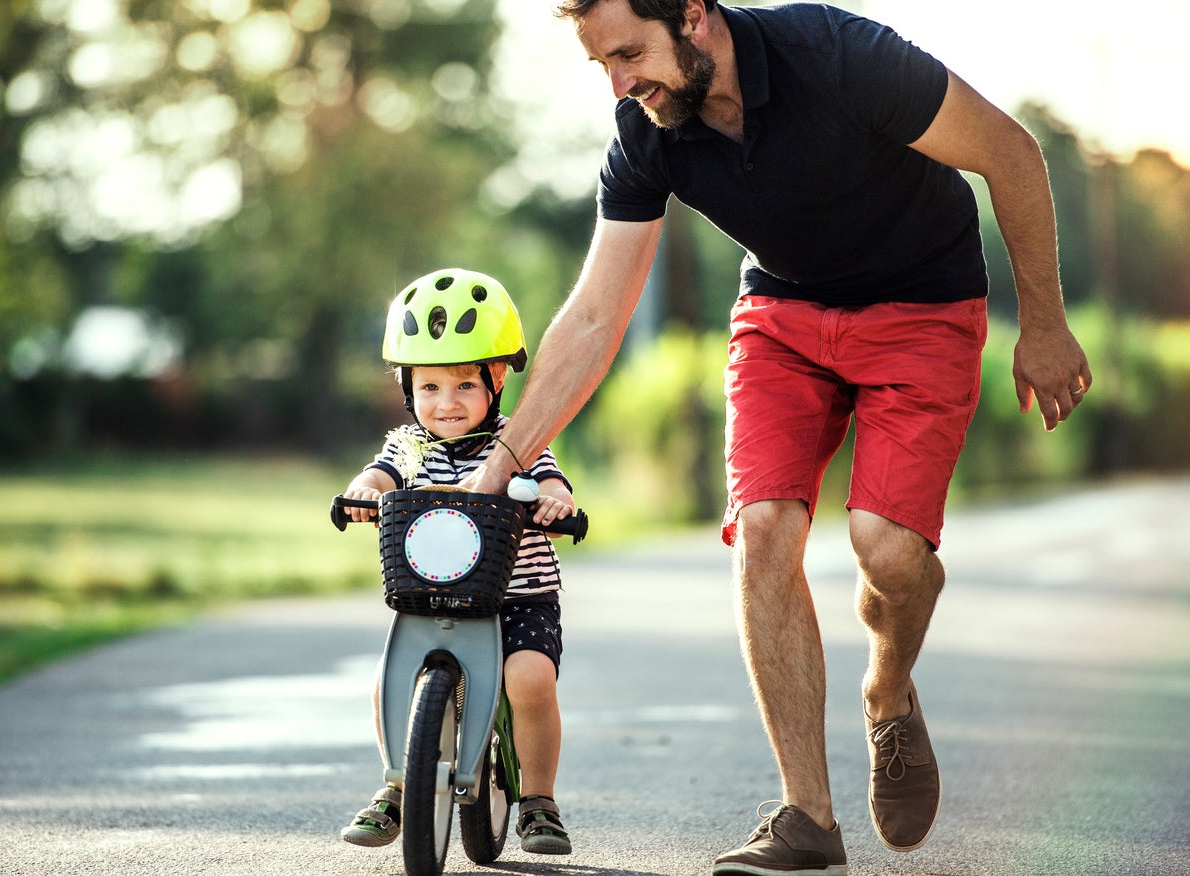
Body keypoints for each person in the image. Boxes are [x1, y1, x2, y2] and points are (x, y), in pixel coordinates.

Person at [461, 2, 1093, 873]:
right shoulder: (647, 130)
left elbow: (1011, 155)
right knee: (763, 530)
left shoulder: (838, 55)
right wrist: (499, 465)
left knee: (887, 551)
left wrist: (1047, 327)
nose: (618, 83)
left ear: (693, 16)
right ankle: (807, 817)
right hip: (784, 317)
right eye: (601, 64)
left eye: (629, 54)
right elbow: (596, 313)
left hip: (923, 306)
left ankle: (887, 686)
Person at [339, 268, 576, 856]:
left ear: (496, 380)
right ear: (407, 388)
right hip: (428, 594)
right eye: (429, 388)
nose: (446, 404)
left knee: (530, 680)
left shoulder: (518, 443)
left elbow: (553, 484)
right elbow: (378, 474)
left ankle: (539, 801)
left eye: (465, 386)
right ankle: (398, 785)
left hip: (519, 596)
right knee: (388, 679)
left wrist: (555, 502)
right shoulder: (408, 446)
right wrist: (363, 492)